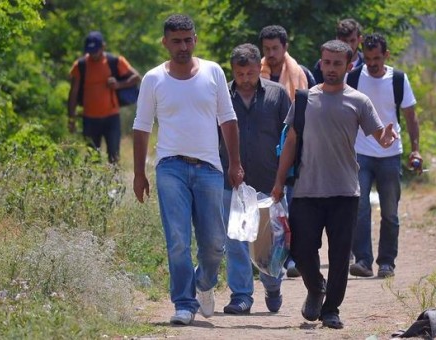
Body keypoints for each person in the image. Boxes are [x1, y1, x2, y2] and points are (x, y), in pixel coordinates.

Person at [270, 39, 397, 329]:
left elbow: (379, 135)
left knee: (339, 255)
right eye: (326, 62)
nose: (330, 68)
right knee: (301, 250)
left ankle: (331, 310)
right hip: (305, 189)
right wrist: (279, 181)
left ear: (349, 65)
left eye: (337, 63)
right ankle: (316, 287)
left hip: (344, 190)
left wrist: (387, 139)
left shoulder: (358, 101)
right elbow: (290, 141)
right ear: (320, 62)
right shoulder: (304, 99)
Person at [132, 14, 244, 326]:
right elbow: (141, 127)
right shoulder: (153, 79)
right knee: (178, 239)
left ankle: (204, 283)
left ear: (195, 39)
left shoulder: (213, 72)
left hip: (209, 167)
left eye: (188, 39)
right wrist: (139, 173)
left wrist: (235, 163)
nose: (183, 46)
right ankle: (183, 302)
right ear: (165, 42)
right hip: (170, 167)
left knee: (214, 243)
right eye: (176, 40)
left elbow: (228, 118)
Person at [220, 43, 291, 315]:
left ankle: (273, 285)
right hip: (233, 183)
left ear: (258, 69)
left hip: (268, 182)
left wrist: (284, 178)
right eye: (240, 74)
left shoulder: (277, 94)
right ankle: (241, 296)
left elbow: (290, 138)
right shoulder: (222, 96)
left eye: (250, 73)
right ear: (233, 71)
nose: (246, 79)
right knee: (236, 240)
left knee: (268, 244)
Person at [348, 33, 421, 279]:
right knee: (359, 207)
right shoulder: (355, 77)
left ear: (386, 55)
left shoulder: (398, 79)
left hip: (390, 153)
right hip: (361, 152)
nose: (372, 63)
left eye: (377, 58)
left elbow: (411, 115)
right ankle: (363, 260)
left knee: (390, 211)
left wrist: (416, 148)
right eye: (368, 59)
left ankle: (387, 262)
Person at [258, 24, 312, 277]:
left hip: (294, 152)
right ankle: (266, 258)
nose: (271, 53)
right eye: (266, 49)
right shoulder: (254, 75)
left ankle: (293, 260)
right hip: (263, 153)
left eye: (275, 48)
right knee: (267, 210)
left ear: (285, 47)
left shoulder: (302, 75)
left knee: (293, 207)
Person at [67, 31, 141, 164]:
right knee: (92, 158)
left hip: (111, 117)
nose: (93, 54)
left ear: (103, 47)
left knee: (114, 156)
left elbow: (136, 77)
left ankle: (115, 183)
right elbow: (73, 93)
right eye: (90, 51)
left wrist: (119, 84)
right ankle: (94, 184)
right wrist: (71, 118)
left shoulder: (115, 61)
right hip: (89, 119)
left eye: (95, 50)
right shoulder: (80, 66)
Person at [312, 18, 365, 84]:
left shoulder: (366, 64)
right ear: (337, 39)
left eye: (352, 40)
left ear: (360, 39)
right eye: (344, 41)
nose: (349, 45)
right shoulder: (324, 64)